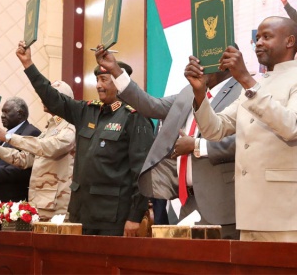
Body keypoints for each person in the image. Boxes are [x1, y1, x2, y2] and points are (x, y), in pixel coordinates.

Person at [186, 16, 297, 242]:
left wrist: (246, 80)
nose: (258, 43)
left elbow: (293, 126)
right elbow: (215, 130)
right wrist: (200, 93)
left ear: (290, 41)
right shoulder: (254, 85)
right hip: (248, 212)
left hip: (286, 211)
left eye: (266, 37)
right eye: (257, 38)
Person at [15, 41, 154, 236]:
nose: (98, 85)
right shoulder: (87, 111)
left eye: (104, 79)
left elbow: (142, 172)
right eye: (97, 80)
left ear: (119, 81)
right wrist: (28, 64)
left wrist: (135, 216)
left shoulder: (134, 117)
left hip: (113, 218)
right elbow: (52, 98)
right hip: (81, 213)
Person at [102, 54, 241, 239]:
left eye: (205, 56)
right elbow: (152, 106)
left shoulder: (242, 90)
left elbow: (246, 141)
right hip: (187, 202)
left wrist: (197, 145)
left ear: (224, 61)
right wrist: (115, 70)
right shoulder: (190, 91)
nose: (198, 63)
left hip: (222, 204)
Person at [0, 79, 76, 220]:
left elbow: (49, 147)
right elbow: (26, 159)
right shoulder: (51, 127)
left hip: (58, 204)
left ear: (62, 99)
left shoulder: (71, 124)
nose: (43, 99)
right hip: (40, 202)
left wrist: (8, 137)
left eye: (48, 95)